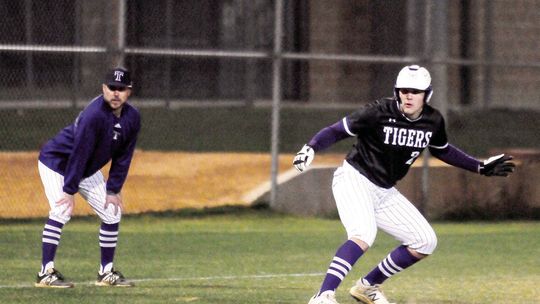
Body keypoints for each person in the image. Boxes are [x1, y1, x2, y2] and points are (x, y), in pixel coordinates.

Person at [293, 65, 515, 304]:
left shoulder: (432, 120)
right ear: (396, 91)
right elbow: (337, 130)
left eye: (416, 91)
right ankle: (323, 296)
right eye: (404, 90)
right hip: (355, 178)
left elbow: (443, 150)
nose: (409, 95)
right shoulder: (377, 112)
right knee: (363, 234)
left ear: (426, 95)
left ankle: (367, 287)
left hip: (384, 190)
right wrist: (311, 147)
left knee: (425, 241)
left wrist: (479, 167)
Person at [35, 67, 141, 288]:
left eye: (121, 89)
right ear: (104, 88)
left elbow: (123, 156)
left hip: (85, 168)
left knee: (112, 212)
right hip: (57, 162)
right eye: (112, 88)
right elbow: (79, 153)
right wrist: (69, 190)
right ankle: (45, 273)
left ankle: (106, 272)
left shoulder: (133, 118)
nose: (116, 93)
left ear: (129, 92)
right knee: (61, 210)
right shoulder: (94, 115)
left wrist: (113, 189)